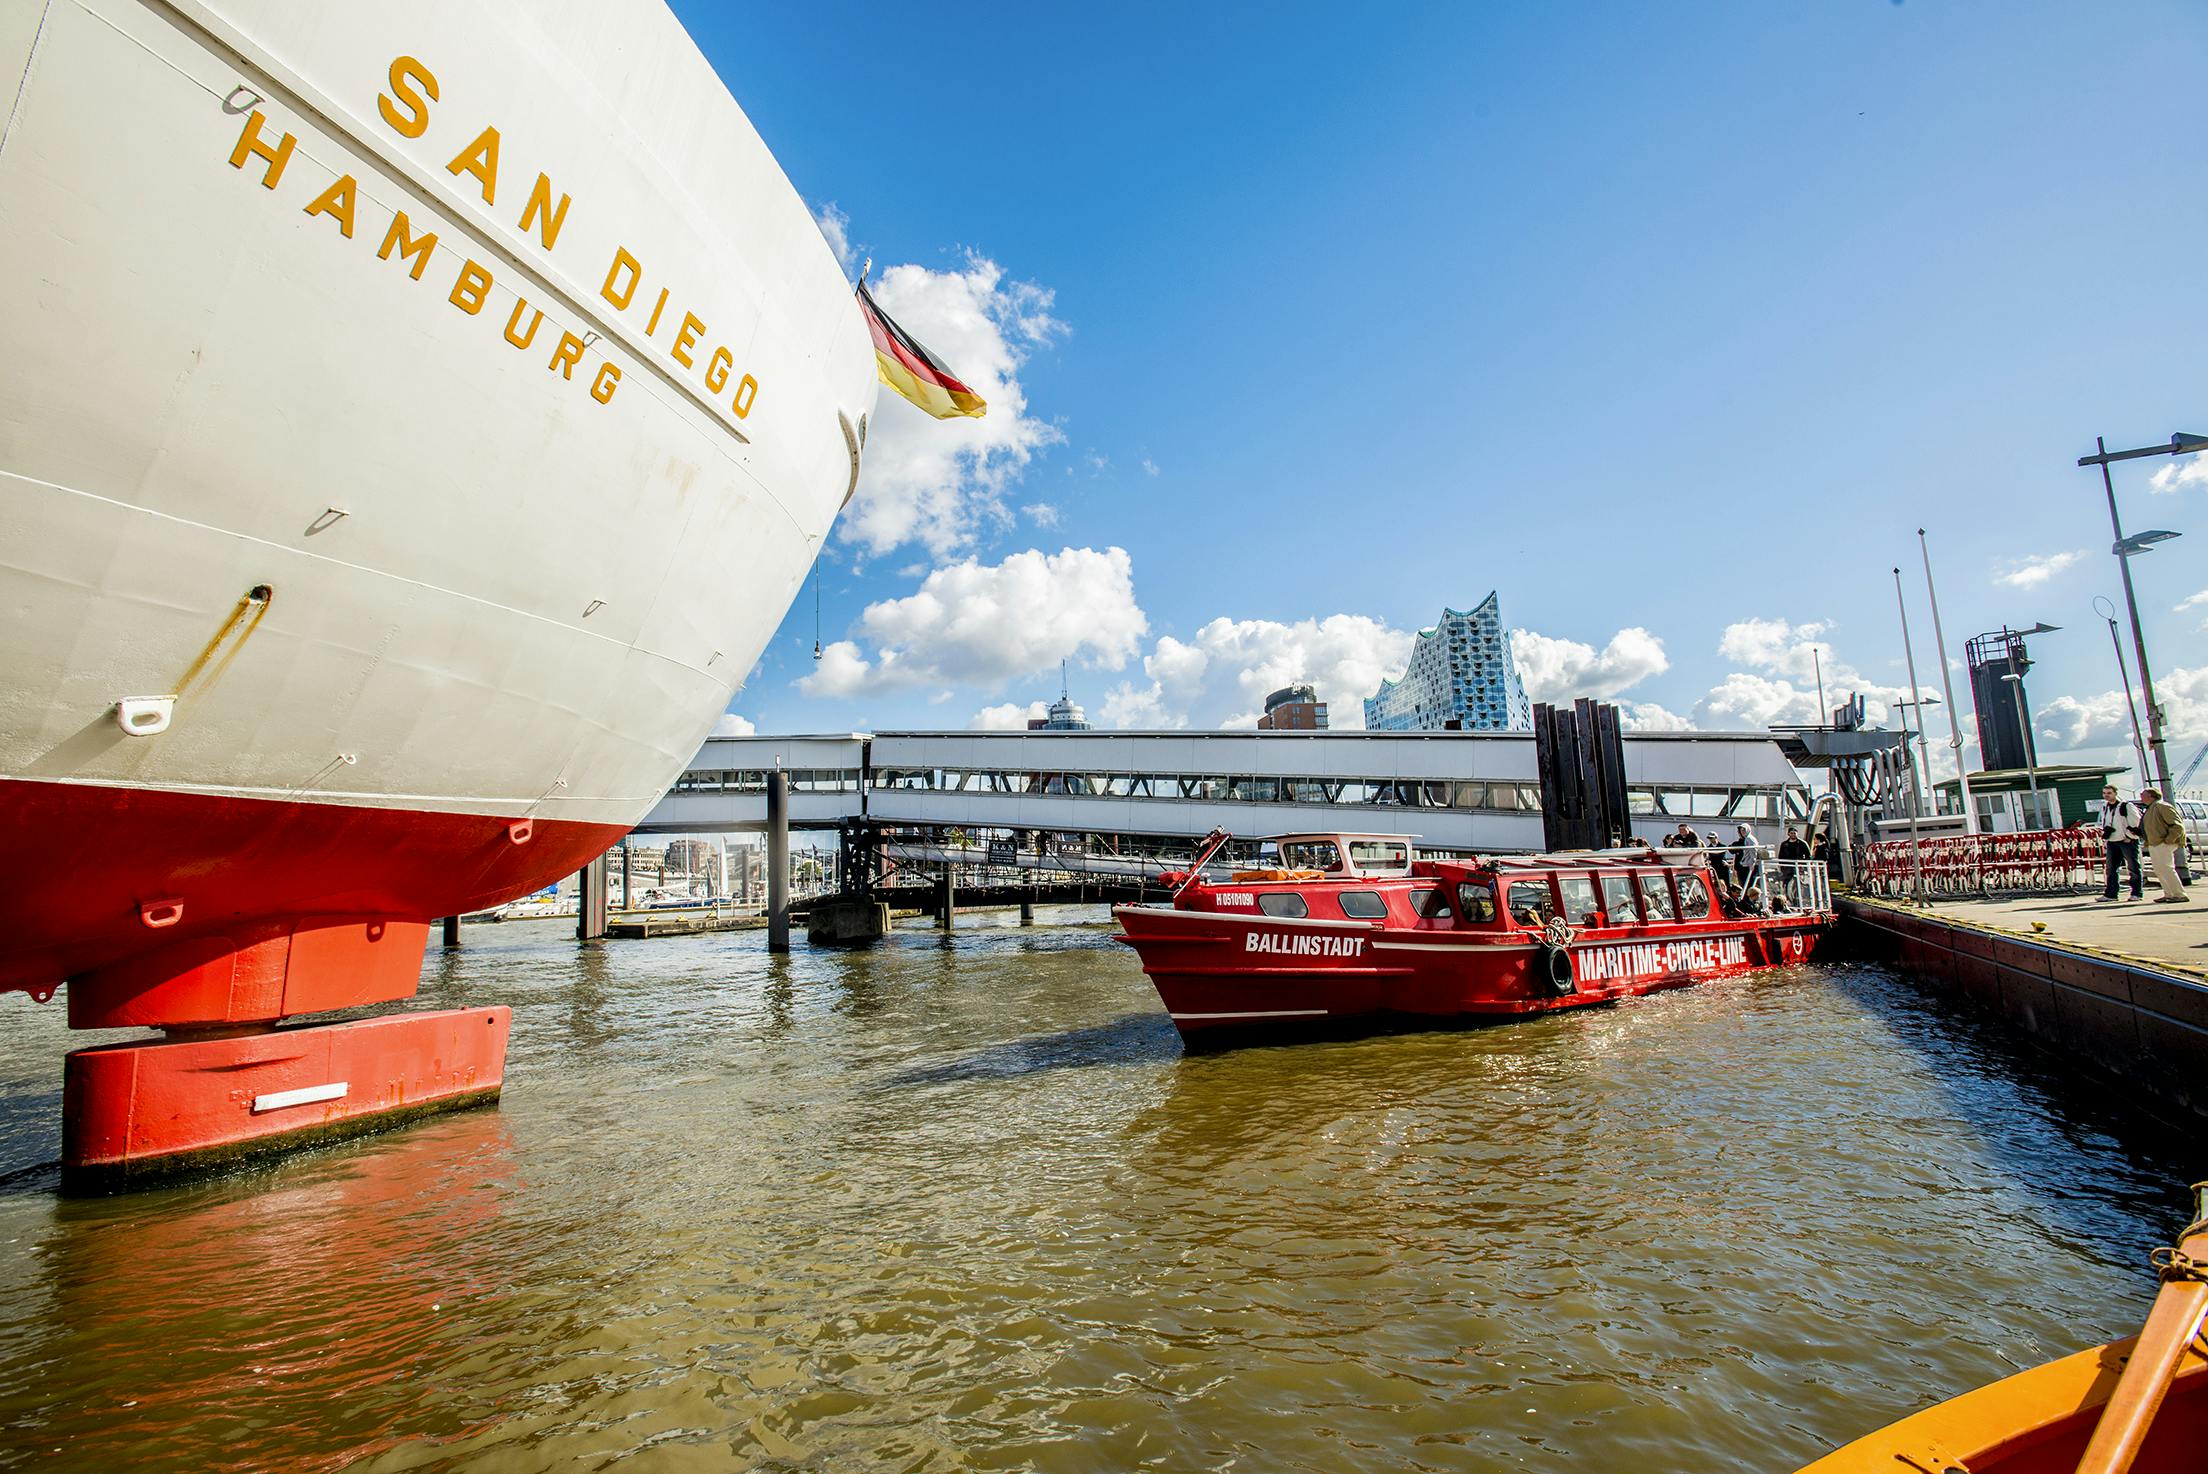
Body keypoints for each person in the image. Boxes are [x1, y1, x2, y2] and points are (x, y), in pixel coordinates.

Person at [2140, 787, 2190, 904]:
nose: (2141, 797)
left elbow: (2177, 825)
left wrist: (2169, 840)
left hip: (2162, 842)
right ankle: (2169, 893)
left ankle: (2179, 894)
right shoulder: (2151, 808)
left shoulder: (2162, 806)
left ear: (2151, 796)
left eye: (2143, 794)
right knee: (2159, 869)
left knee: (2167, 868)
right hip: (2154, 843)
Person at [2098, 784, 2144, 903]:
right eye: (2104, 793)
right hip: (2113, 840)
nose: (2106, 796)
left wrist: (2130, 836)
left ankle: (2136, 893)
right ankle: (2111, 894)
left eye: (2109, 793)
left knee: (2133, 867)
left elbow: (2135, 822)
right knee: (2111, 868)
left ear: (2115, 793)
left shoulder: (2126, 806)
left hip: (2126, 840)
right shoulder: (2105, 807)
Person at [1776, 825, 1810, 904]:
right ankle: (1788, 900)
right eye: (1791, 833)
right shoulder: (1784, 844)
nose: (1793, 835)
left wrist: (1803, 864)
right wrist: (1782, 866)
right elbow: (1781, 856)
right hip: (1787, 868)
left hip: (1798, 867)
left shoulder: (1802, 843)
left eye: (1795, 833)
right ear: (1788, 834)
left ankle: (1797, 900)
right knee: (1786, 885)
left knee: (1797, 885)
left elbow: (1808, 855)